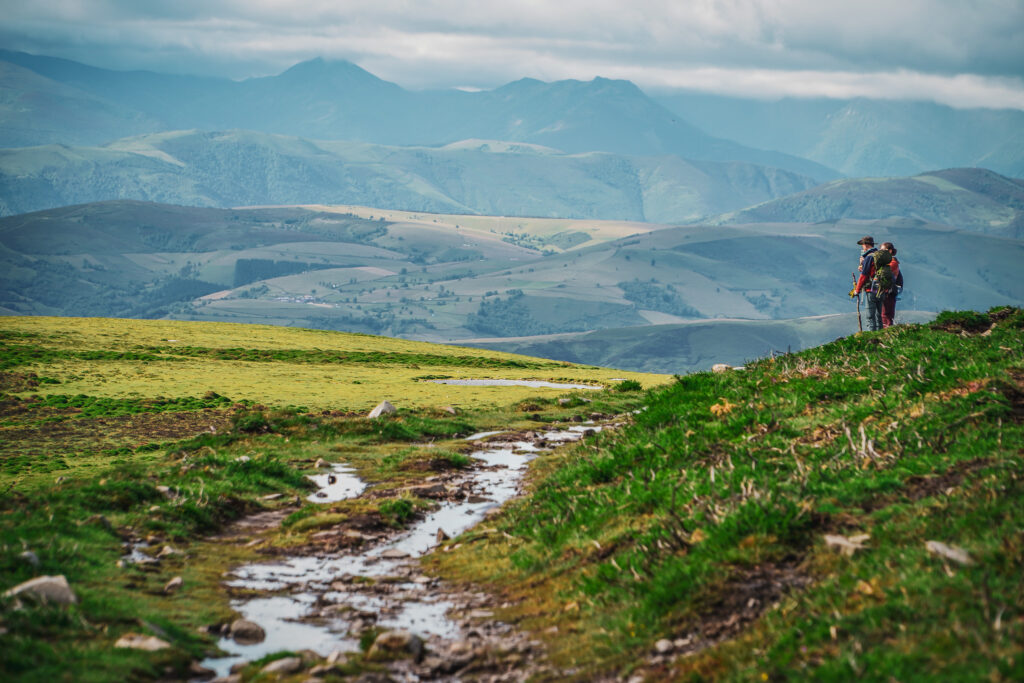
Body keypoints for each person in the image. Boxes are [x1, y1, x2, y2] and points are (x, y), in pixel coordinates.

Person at [852, 236, 883, 331]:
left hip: (871, 289)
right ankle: (881, 334)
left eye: (862, 245)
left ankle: (872, 337)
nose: (862, 247)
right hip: (882, 288)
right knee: (879, 315)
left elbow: (864, 276)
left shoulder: (869, 257)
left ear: (866, 245)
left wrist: (857, 290)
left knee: (870, 316)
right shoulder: (880, 255)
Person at [880, 242, 902, 328]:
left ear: (889, 251)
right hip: (885, 291)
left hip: (889, 292)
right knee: (884, 314)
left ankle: (886, 332)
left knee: (886, 314)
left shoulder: (893, 263)